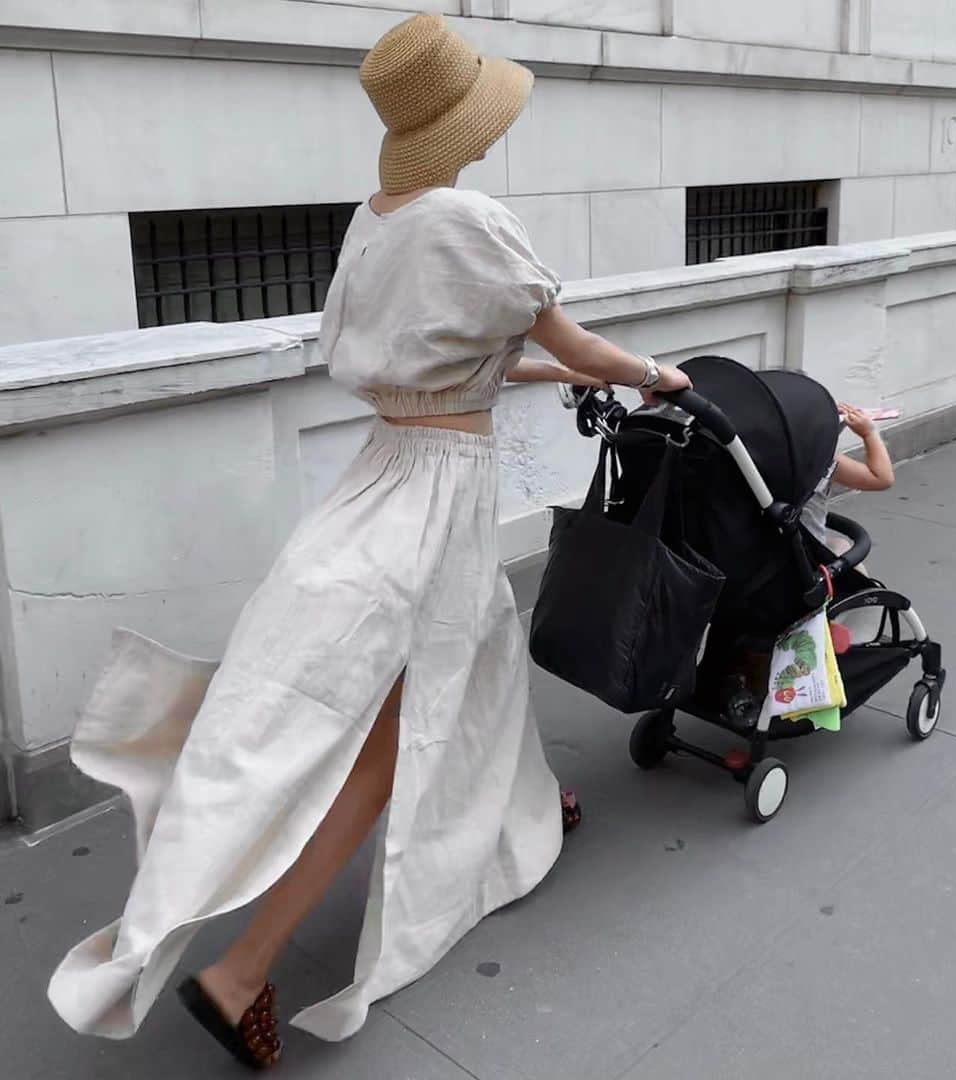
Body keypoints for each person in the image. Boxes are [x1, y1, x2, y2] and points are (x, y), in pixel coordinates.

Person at [46, 13, 690, 1072]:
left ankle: (519, 815)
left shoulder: (378, 217)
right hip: (436, 495)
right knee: (410, 716)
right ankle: (241, 967)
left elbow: (450, 363)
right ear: (462, 122)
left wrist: (565, 374)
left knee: (455, 671)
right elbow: (563, 338)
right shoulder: (470, 217)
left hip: (380, 476)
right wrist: (648, 374)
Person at [802, 403, 895, 553]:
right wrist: (869, 433)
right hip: (802, 553)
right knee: (844, 549)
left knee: (838, 543)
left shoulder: (757, 453)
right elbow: (882, 478)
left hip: (758, 553)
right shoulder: (818, 457)